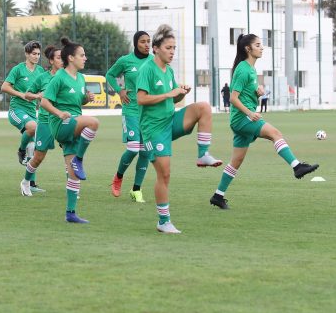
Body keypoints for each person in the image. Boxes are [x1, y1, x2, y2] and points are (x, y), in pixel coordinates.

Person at [209, 34, 319, 210]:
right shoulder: (243, 69)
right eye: (258, 45)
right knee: (275, 134)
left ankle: (218, 196)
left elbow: (245, 93)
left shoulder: (250, 69)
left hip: (241, 120)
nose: (262, 48)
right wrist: (250, 113)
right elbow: (233, 98)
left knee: (236, 162)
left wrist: (257, 92)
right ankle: (297, 166)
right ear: (248, 49)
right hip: (242, 118)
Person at [136, 25, 223, 234]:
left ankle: (203, 155)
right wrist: (169, 95)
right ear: (156, 48)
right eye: (168, 47)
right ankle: (163, 221)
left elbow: (174, 98)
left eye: (174, 47)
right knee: (164, 174)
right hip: (153, 130)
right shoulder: (147, 69)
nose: (172, 51)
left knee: (203, 107)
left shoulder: (169, 71)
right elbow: (141, 99)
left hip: (170, 120)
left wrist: (181, 94)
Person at [40, 37, 98, 224]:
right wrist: (59, 113)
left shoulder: (80, 78)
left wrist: (86, 99)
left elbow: (77, 101)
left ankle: (71, 213)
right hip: (61, 125)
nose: (85, 58)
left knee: (73, 177)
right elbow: (44, 101)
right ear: (71, 58)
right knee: (94, 123)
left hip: (74, 125)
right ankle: (79, 160)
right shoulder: (59, 77)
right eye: (82, 55)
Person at [106, 30, 152, 202]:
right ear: (136, 44)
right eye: (143, 41)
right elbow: (110, 75)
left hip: (148, 113)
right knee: (133, 148)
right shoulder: (125, 61)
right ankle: (118, 177)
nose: (147, 44)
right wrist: (120, 90)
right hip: (131, 110)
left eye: (149, 41)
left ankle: (136, 189)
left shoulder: (154, 61)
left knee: (146, 151)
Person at [19, 45, 62, 196]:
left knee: (71, 153)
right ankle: (26, 182)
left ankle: (73, 189)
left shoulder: (69, 76)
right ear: (51, 61)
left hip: (64, 121)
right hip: (45, 121)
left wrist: (85, 98)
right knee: (38, 157)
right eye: (58, 57)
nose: (62, 60)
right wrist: (38, 96)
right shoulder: (42, 77)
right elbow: (27, 94)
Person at [1, 41, 45, 169]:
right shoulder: (18, 69)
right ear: (26, 54)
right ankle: (21, 151)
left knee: (36, 150)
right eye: (33, 54)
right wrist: (21, 94)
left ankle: (30, 184)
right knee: (32, 127)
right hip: (17, 110)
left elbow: (42, 92)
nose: (36, 56)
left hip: (32, 112)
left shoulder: (40, 71)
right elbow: (4, 87)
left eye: (38, 54)